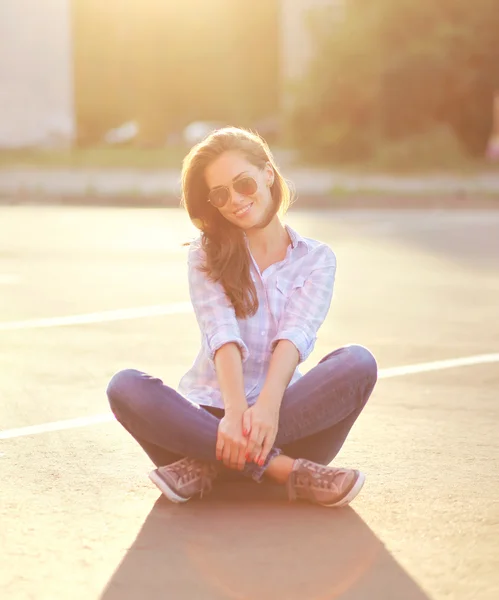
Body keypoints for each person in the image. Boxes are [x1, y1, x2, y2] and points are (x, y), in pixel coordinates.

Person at [107, 127, 377, 507]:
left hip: (283, 419)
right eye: (220, 195)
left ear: (268, 174)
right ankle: (286, 471)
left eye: (243, 184)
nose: (234, 200)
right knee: (125, 387)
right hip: (211, 418)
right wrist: (233, 414)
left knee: (359, 363)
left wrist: (266, 409)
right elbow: (221, 332)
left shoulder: (316, 259)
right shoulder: (205, 253)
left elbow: (295, 336)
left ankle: (208, 466)